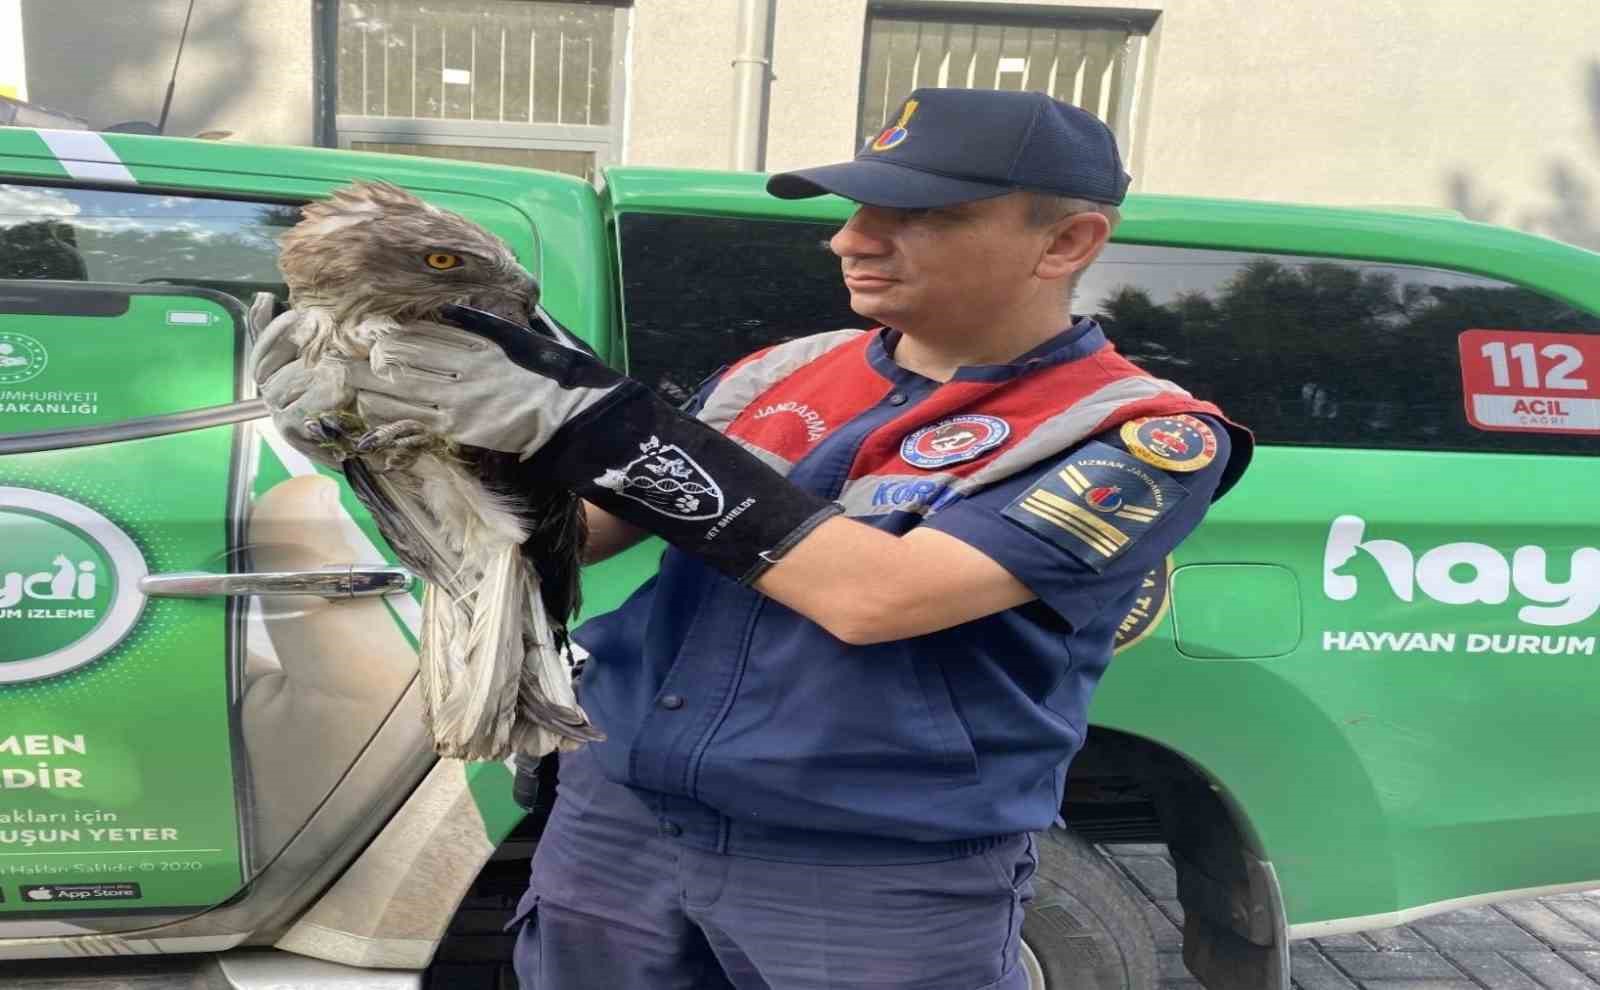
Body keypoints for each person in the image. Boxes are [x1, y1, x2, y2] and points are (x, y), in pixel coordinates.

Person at [254, 87, 1252, 990]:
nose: (854, 241)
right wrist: (409, 446)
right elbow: (587, 535)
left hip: (869, 873)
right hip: (618, 824)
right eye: (858, 209)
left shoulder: (1134, 434)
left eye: (924, 216)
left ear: (1068, 242)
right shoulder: (782, 370)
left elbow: (879, 598)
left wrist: (597, 424)